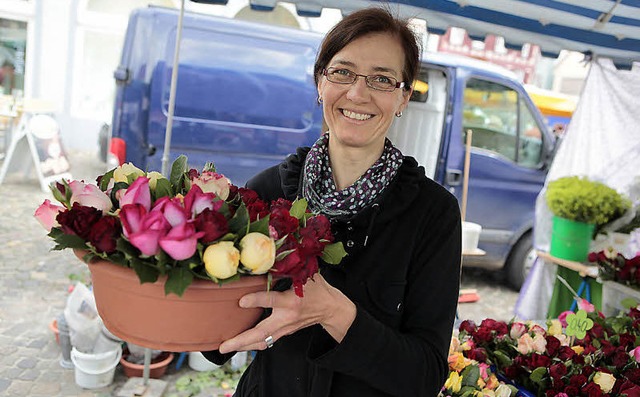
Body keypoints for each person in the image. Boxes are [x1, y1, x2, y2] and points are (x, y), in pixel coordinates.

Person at [203, 7, 462, 397]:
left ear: (404, 96)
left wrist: (336, 314)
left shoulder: (432, 213)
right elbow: (215, 342)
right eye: (342, 72)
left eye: (381, 79)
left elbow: (424, 376)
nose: (358, 93)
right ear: (320, 82)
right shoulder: (268, 191)